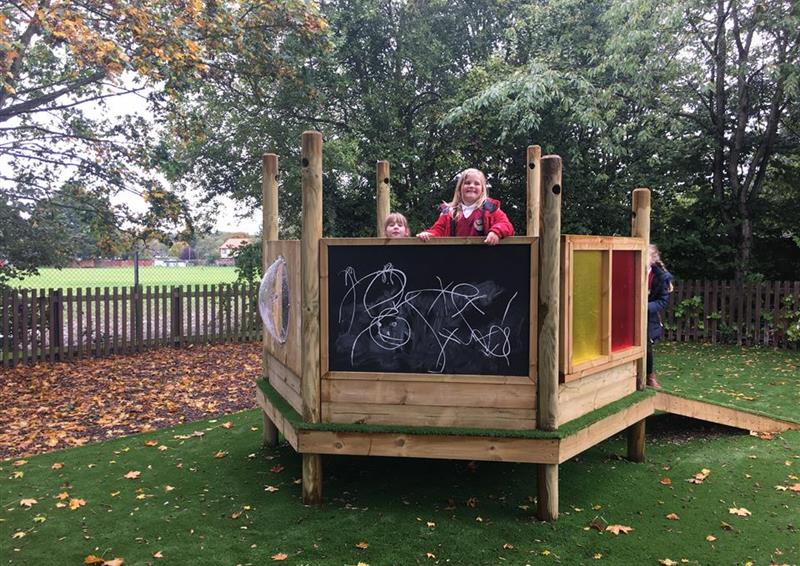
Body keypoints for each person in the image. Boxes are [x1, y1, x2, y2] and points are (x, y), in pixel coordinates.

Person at [416, 168, 514, 245]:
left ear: (483, 190)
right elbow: (438, 230)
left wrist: (496, 232)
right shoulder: (449, 212)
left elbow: (506, 225)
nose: (471, 186)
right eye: (467, 183)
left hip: (483, 259)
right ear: (460, 188)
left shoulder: (490, 209)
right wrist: (429, 234)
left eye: (477, 184)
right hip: (455, 259)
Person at [646, 244, 673, 388]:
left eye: (645, 255)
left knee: (646, 344)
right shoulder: (631, 271)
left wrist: (646, 307)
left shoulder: (660, 277)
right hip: (630, 314)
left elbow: (662, 301)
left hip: (649, 316)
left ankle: (650, 376)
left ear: (652, 259)